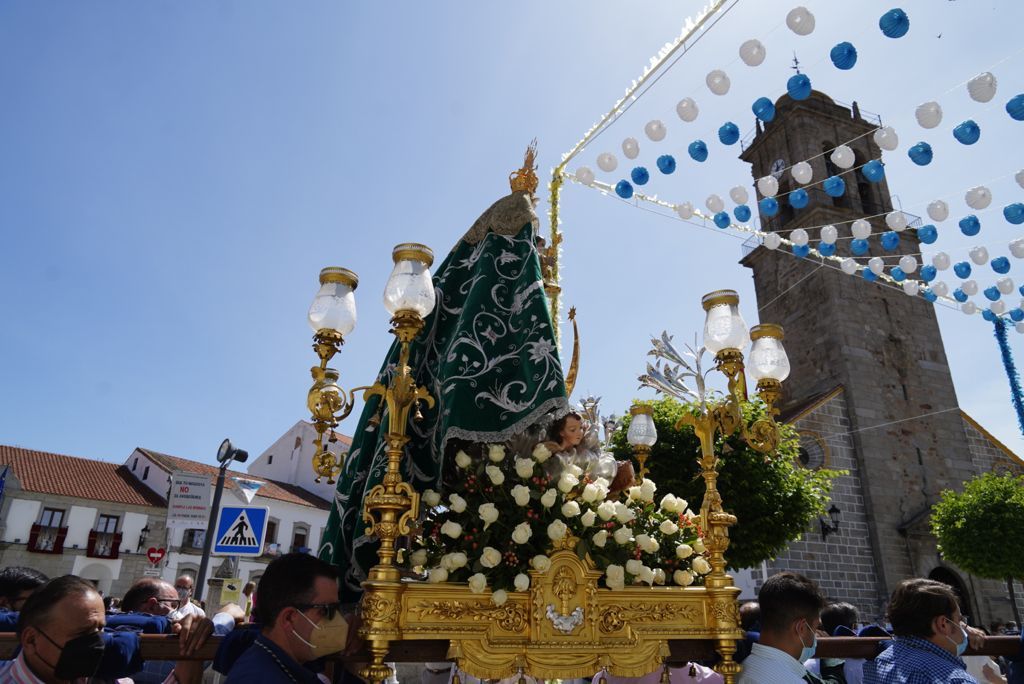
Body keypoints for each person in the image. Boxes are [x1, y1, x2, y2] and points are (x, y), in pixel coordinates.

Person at [0, 574, 205, 683]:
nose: (98, 642)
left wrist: (193, 633)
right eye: (82, 633)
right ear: (31, 640)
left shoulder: (108, 680)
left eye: (101, 630)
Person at [225, 553, 351, 683]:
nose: (337, 620)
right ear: (289, 618)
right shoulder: (260, 677)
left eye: (337, 609)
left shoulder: (281, 665)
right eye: (326, 610)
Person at [864, 578, 981, 683]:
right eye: (959, 620)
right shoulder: (956, 680)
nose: (963, 627)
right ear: (943, 624)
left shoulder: (876, 665)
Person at [737, 572, 836, 684]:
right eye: (815, 628)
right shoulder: (792, 681)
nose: (816, 636)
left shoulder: (740, 670)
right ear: (801, 628)